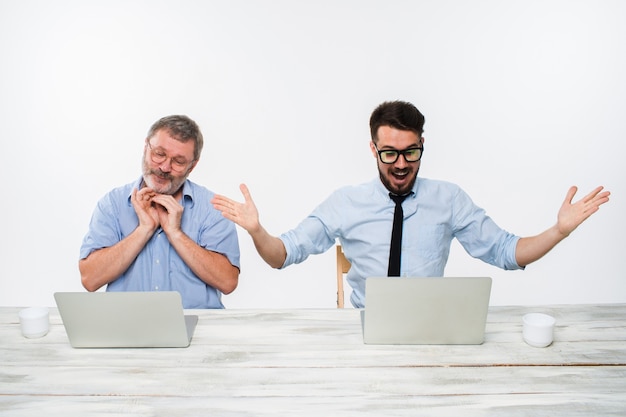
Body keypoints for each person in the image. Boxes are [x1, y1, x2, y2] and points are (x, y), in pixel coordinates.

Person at [211, 101, 610, 308]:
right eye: (389, 153)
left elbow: (507, 252)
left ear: (422, 146)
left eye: (410, 151)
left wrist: (558, 230)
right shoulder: (346, 202)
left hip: (429, 325)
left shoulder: (448, 199)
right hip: (366, 328)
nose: (401, 164)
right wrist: (258, 231)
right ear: (373, 149)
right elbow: (283, 255)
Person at [79, 115, 240, 309]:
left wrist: (176, 234)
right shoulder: (112, 204)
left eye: (178, 161)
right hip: (128, 327)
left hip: (199, 327)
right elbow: (90, 278)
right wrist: (144, 229)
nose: (164, 167)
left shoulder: (212, 208)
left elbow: (228, 282)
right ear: (146, 147)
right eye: (159, 154)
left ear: (192, 166)